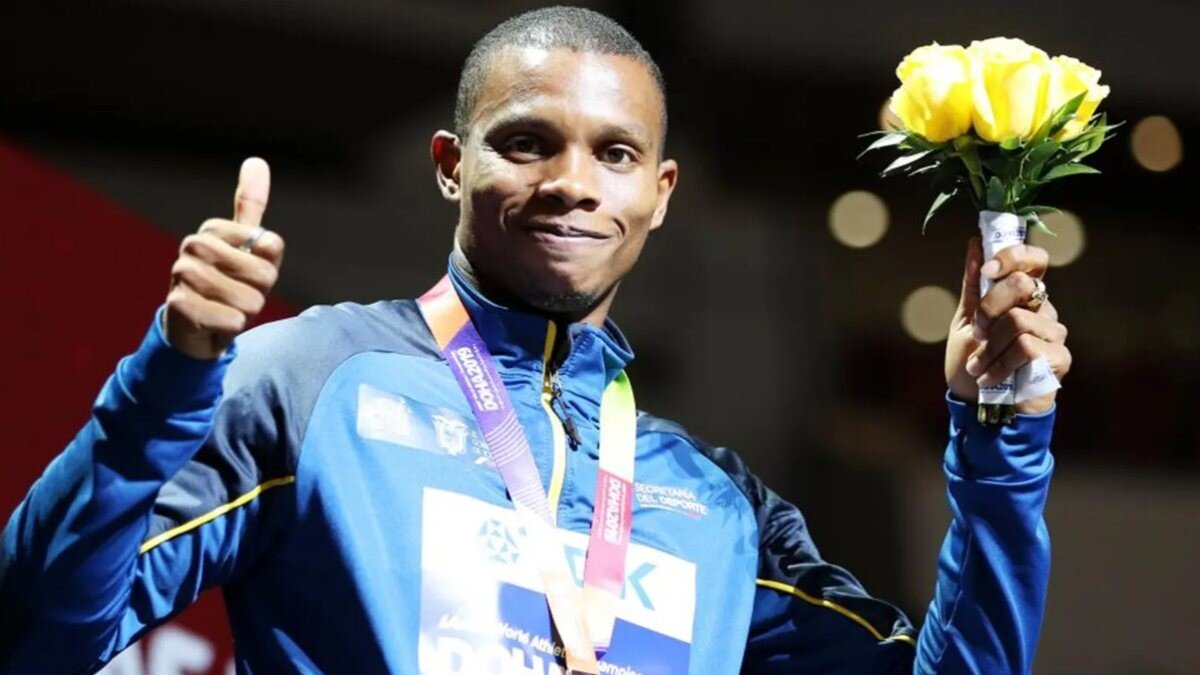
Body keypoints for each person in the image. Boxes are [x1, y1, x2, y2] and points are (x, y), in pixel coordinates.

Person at [0, 6, 1071, 674]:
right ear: (450, 166)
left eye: (615, 154)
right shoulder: (311, 385)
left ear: (661, 193)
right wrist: (171, 376)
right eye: (526, 143)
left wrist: (999, 439)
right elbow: (38, 636)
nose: (571, 183)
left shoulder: (716, 507)